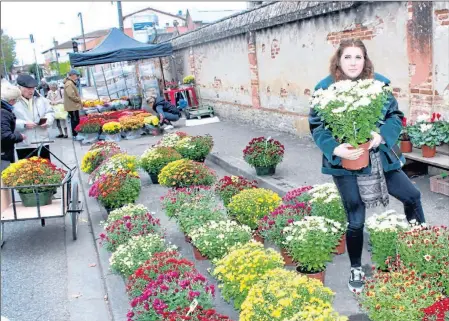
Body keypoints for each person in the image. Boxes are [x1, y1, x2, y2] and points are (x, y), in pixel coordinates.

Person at [309, 39, 425, 294]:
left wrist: (381, 136)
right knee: (356, 218)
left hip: (380, 157)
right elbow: (317, 126)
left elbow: (395, 116)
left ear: (366, 60)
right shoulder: (325, 88)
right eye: (347, 57)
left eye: (358, 57)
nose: (353, 62)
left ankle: (420, 247)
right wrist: (334, 148)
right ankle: (355, 267)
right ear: (338, 60)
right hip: (345, 162)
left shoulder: (379, 84)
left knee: (413, 196)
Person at [13, 74, 55, 160]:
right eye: (28, 89)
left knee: (47, 170)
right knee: (28, 171)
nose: (31, 91)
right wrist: (23, 124)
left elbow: (50, 112)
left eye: (33, 88)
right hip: (24, 144)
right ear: (19, 88)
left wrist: (46, 121)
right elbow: (7, 121)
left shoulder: (41, 99)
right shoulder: (12, 101)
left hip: (43, 142)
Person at [1, 84, 25, 168]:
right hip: (3, 154)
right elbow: (5, 136)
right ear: (12, 100)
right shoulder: (3, 112)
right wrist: (19, 136)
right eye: (16, 100)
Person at [63, 69, 82, 139]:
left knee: (75, 120)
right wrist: (79, 100)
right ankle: (75, 135)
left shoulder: (70, 82)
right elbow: (71, 95)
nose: (77, 77)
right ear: (73, 75)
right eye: (77, 75)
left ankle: (76, 134)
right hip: (72, 106)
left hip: (73, 105)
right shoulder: (69, 83)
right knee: (74, 120)